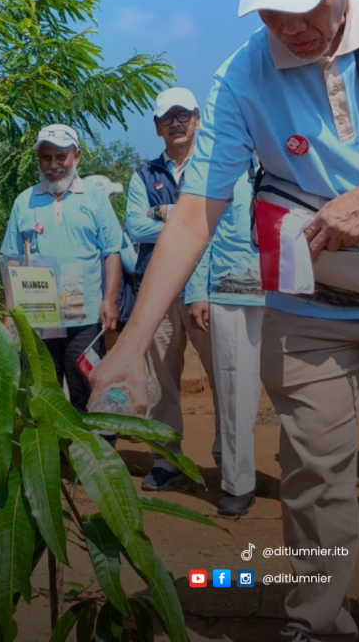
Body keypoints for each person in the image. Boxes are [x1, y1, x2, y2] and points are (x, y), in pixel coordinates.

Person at [90, 0, 359, 642]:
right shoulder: (241, 80)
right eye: (269, 11)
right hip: (310, 304)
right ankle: (317, 624)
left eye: (302, 3)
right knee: (314, 472)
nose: (288, 28)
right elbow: (195, 214)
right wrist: (128, 348)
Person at [126, 87, 220, 491]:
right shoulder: (143, 175)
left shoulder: (218, 166)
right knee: (162, 380)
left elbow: (223, 224)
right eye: (168, 117)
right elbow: (135, 226)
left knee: (224, 378)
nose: (176, 123)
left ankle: (230, 461)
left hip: (211, 290)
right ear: (157, 127)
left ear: (197, 119)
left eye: (184, 115)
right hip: (159, 291)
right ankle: (166, 461)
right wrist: (190, 223)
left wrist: (165, 212)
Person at [0, 124, 123, 411]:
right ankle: (55, 454)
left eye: (61, 157)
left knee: (87, 385)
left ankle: (95, 452)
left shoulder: (94, 199)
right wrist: (10, 312)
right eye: (46, 158)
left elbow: (111, 252)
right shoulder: (24, 202)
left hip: (86, 315)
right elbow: (11, 259)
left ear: (76, 157)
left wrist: (110, 300)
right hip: (41, 318)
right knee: (44, 390)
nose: (53, 165)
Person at [184, 166, 265, 516]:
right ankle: (238, 482)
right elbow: (202, 232)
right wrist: (197, 291)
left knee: (303, 394)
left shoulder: (291, 158)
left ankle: (309, 481)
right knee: (234, 391)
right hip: (231, 293)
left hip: (295, 294)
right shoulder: (222, 169)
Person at [82, 174, 139, 338]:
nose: (114, 200)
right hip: (113, 308)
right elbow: (132, 265)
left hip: (85, 309)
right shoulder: (113, 229)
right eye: (111, 196)